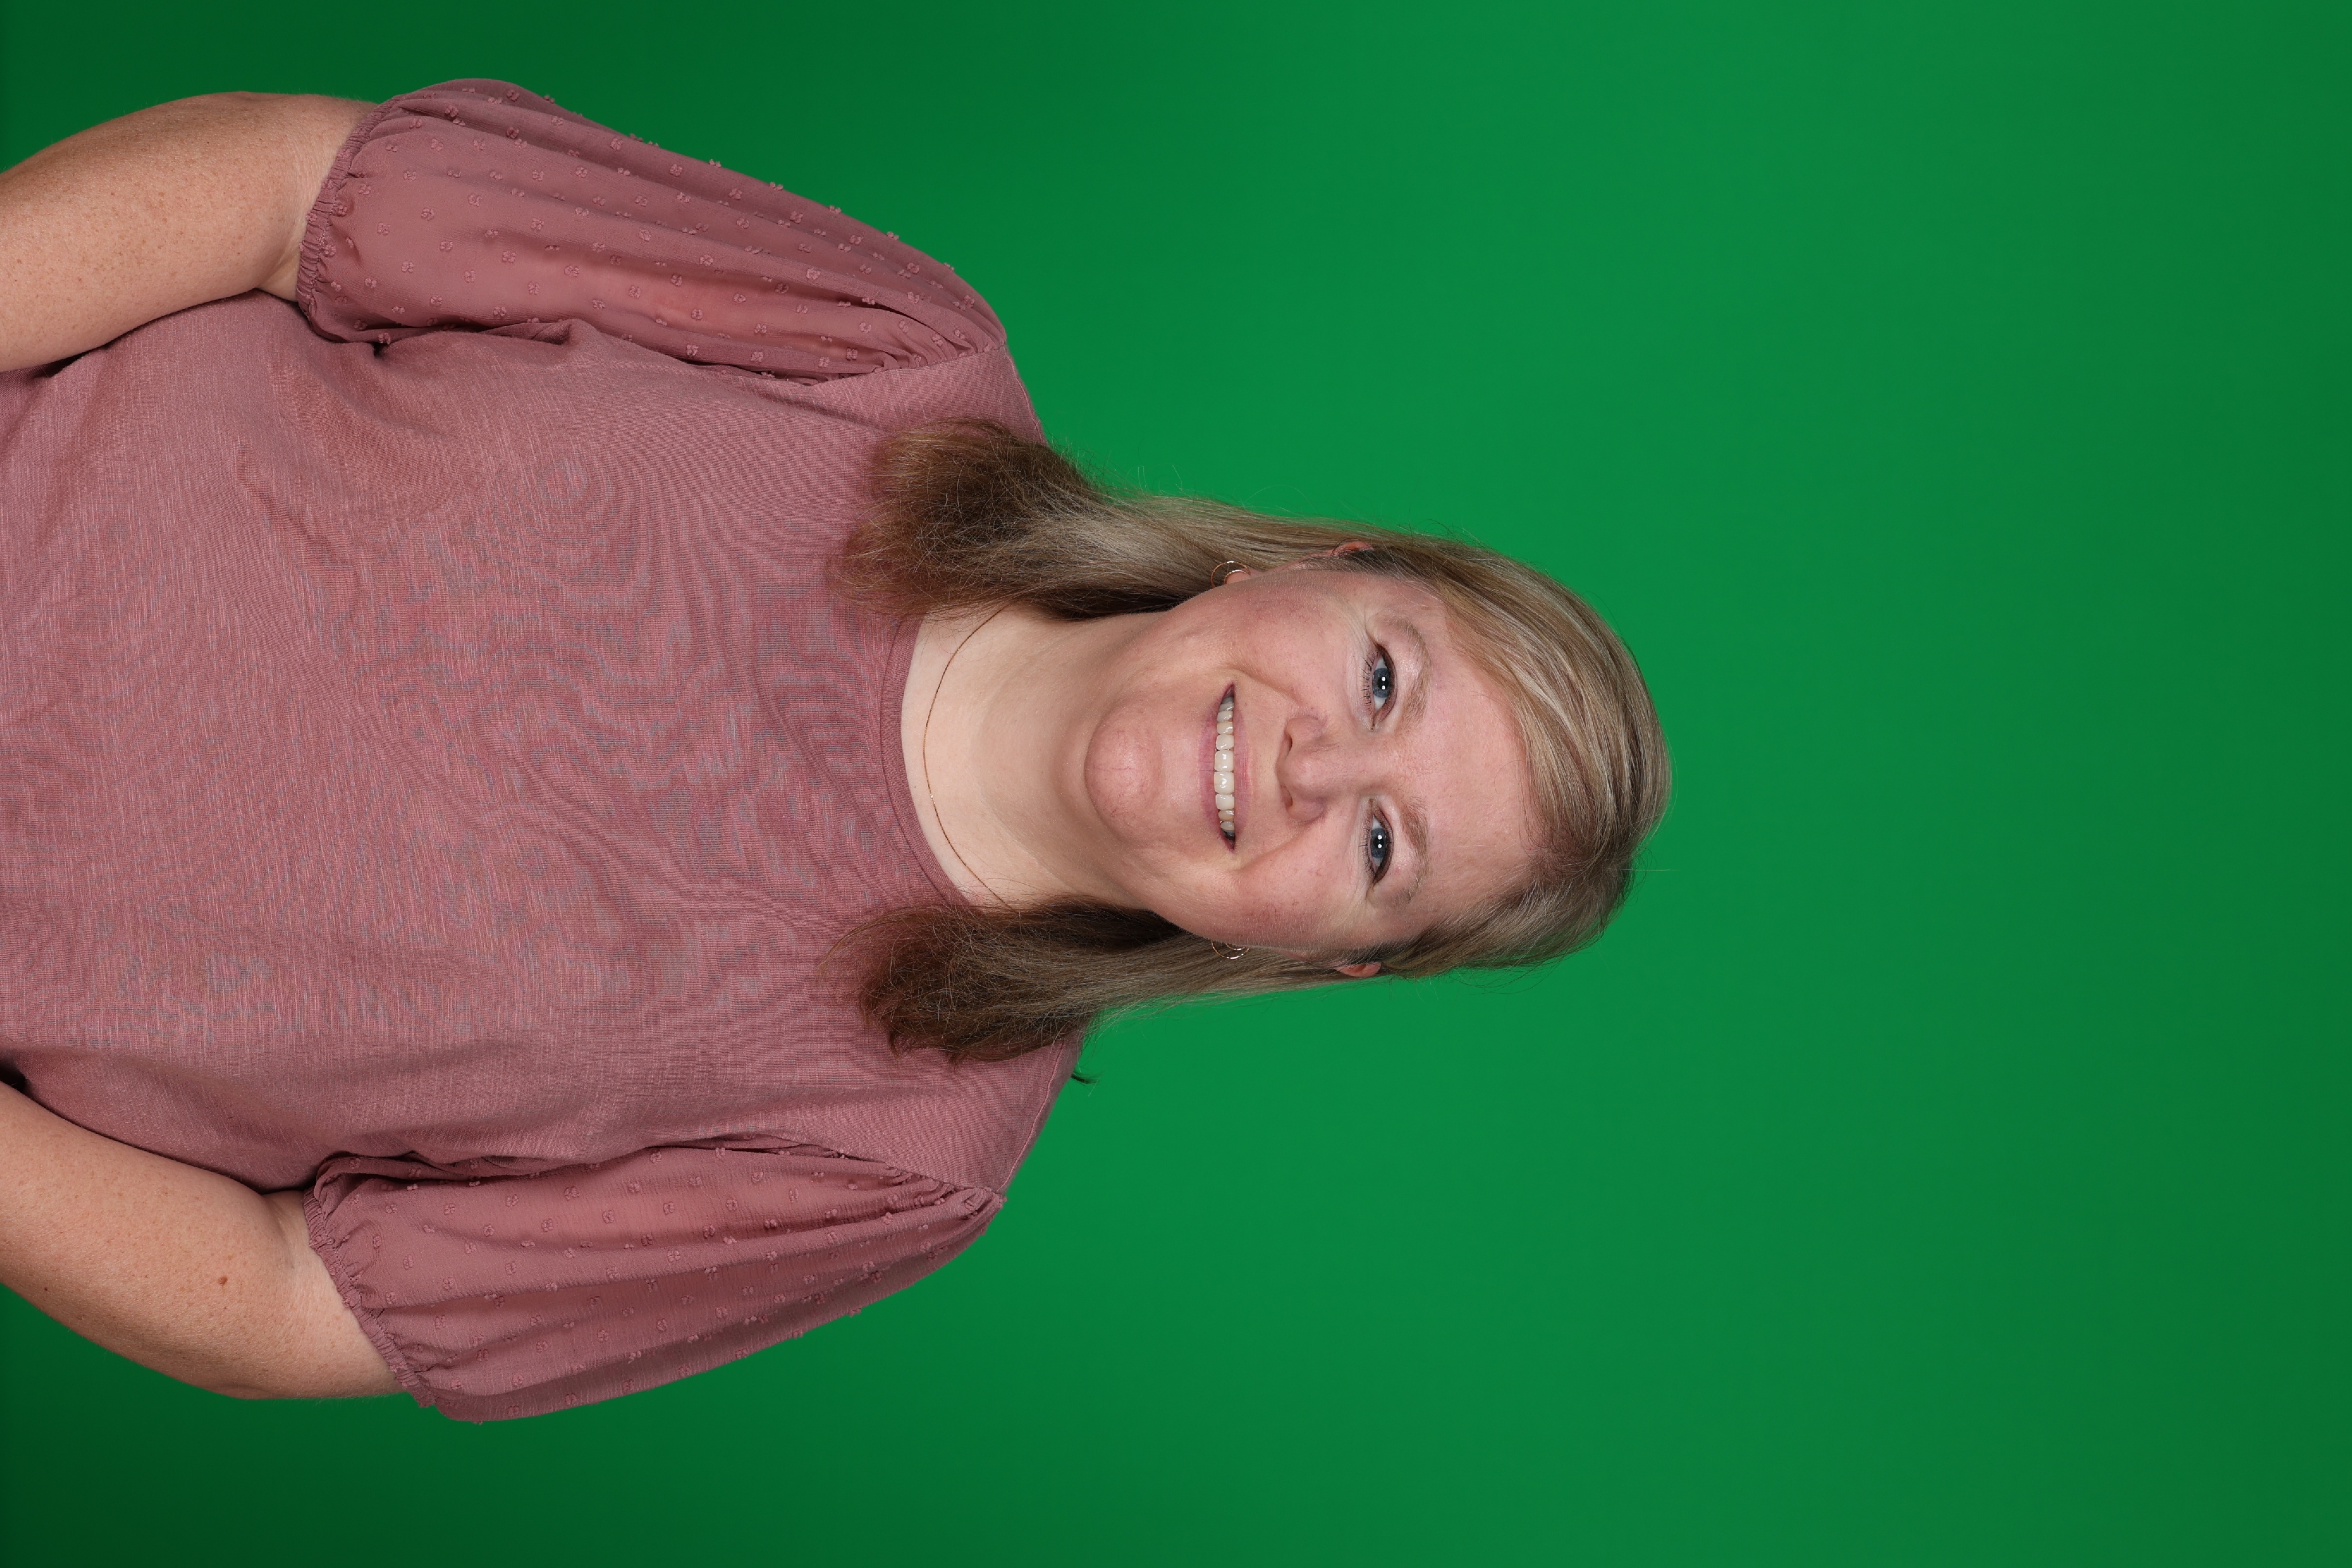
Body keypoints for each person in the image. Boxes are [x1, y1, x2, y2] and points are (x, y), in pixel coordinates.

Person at [0, 80, 1668, 1421]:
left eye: (1381, 849)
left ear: (1323, 961)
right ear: (1315, 569)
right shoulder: (896, 356)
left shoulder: (890, 1162)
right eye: (1381, 680)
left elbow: (295, 1303)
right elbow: (300, 194)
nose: (1314, 771)